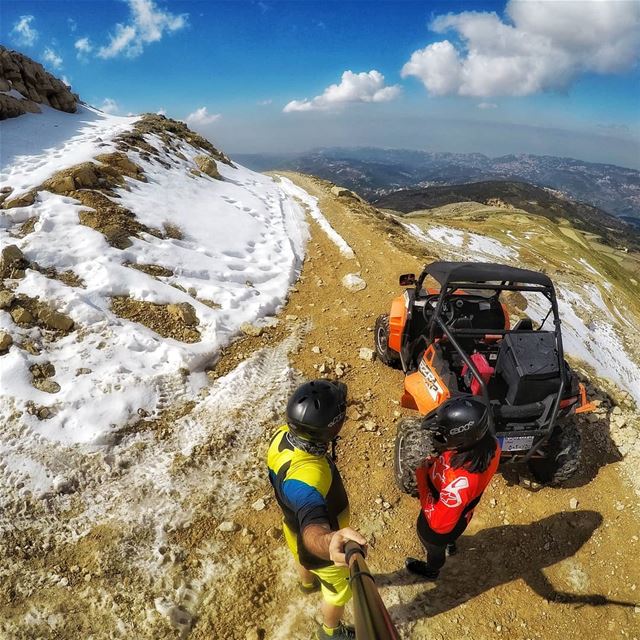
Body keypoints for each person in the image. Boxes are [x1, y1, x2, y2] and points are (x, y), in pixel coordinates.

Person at [267, 379, 367, 640]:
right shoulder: (309, 474)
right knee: (337, 592)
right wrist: (329, 540)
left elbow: (303, 521)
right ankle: (330, 632)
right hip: (321, 547)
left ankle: (307, 584)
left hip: (292, 527)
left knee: (302, 557)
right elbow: (312, 521)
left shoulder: (283, 436)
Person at [405, 395, 501, 579]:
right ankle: (451, 544)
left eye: (444, 434)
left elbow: (438, 524)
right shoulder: (490, 446)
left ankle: (432, 569)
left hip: (439, 526)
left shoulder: (458, 483)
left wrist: (422, 478)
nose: (439, 436)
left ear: (461, 441)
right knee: (451, 534)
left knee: (434, 547)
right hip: (463, 514)